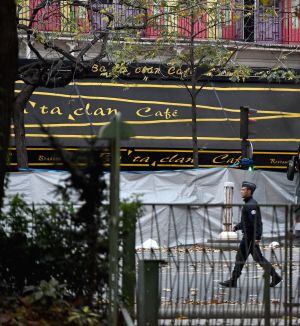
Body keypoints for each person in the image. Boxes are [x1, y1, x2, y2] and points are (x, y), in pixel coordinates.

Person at [219, 181, 282, 288]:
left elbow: (256, 222)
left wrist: (257, 237)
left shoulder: (251, 205)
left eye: (243, 189)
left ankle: (234, 281)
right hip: (248, 237)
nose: (241, 191)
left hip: (250, 238)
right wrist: (237, 227)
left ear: (249, 191)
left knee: (247, 258)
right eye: (242, 189)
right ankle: (275, 276)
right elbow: (246, 221)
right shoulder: (248, 203)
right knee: (251, 259)